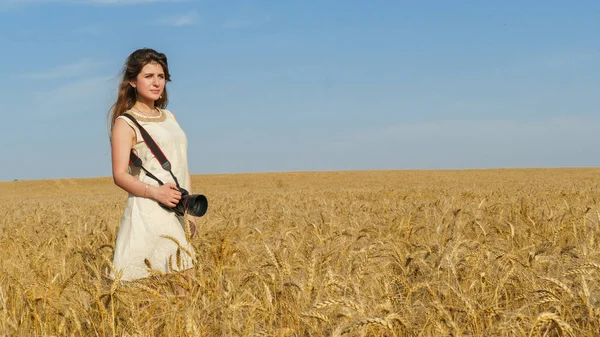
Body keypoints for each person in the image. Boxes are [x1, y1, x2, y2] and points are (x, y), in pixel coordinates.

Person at [108, 48, 197, 282]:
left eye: (161, 76)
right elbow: (119, 175)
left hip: (176, 208)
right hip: (149, 208)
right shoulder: (125, 123)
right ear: (133, 81)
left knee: (185, 290)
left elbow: (182, 165)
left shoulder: (170, 118)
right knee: (167, 287)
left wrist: (189, 212)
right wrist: (156, 193)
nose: (156, 83)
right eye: (148, 76)